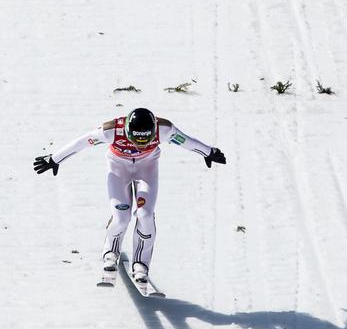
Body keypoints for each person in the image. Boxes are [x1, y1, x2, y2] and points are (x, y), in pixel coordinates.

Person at [33, 108, 226, 283]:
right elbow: (83, 142)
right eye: (136, 141)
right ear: (127, 131)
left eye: (146, 142)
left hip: (147, 169)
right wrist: (54, 159)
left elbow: (186, 141)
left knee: (145, 215)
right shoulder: (111, 130)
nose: (140, 146)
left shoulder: (164, 129)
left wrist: (209, 153)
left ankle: (141, 264)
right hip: (118, 169)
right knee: (121, 217)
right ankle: (110, 252)